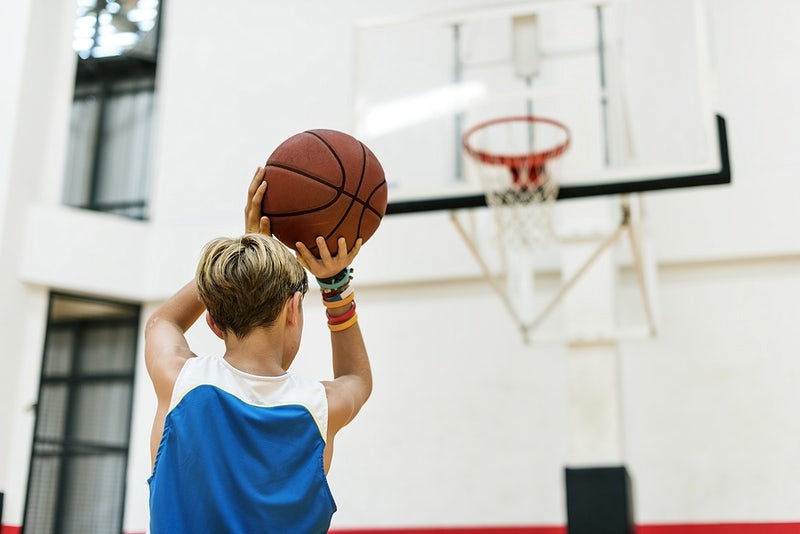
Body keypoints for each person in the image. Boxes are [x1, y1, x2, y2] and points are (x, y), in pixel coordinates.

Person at [145, 167, 372, 533]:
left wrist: (238, 260)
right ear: (293, 310)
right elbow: (356, 378)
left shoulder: (180, 381)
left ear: (213, 323)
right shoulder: (320, 407)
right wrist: (335, 285)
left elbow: (162, 323)